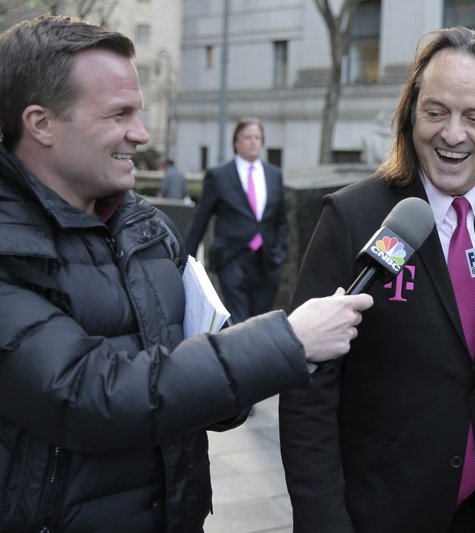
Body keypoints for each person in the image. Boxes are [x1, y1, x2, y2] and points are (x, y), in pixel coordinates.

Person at [0, 15, 372, 533]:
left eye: (140, 111)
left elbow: (208, 388)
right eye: (118, 114)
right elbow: (87, 393)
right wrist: (285, 342)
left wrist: (242, 378)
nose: (141, 133)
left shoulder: (147, 228)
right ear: (41, 123)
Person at [279, 27, 475, 533]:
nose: (452, 134)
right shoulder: (354, 217)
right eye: (436, 112)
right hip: (379, 510)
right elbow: (308, 389)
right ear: (410, 114)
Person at [185, 117, 288, 323]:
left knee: (261, 321)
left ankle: (258, 355)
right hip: (232, 259)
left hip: (266, 260)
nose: (253, 142)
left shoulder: (274, 174)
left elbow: (281, 220)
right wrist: (186, 262)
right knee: (240, 321)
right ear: (236, 142)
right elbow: (201, 220)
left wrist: (279, 253)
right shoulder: (219, 176)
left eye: (257, 137)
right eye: (247, 137)